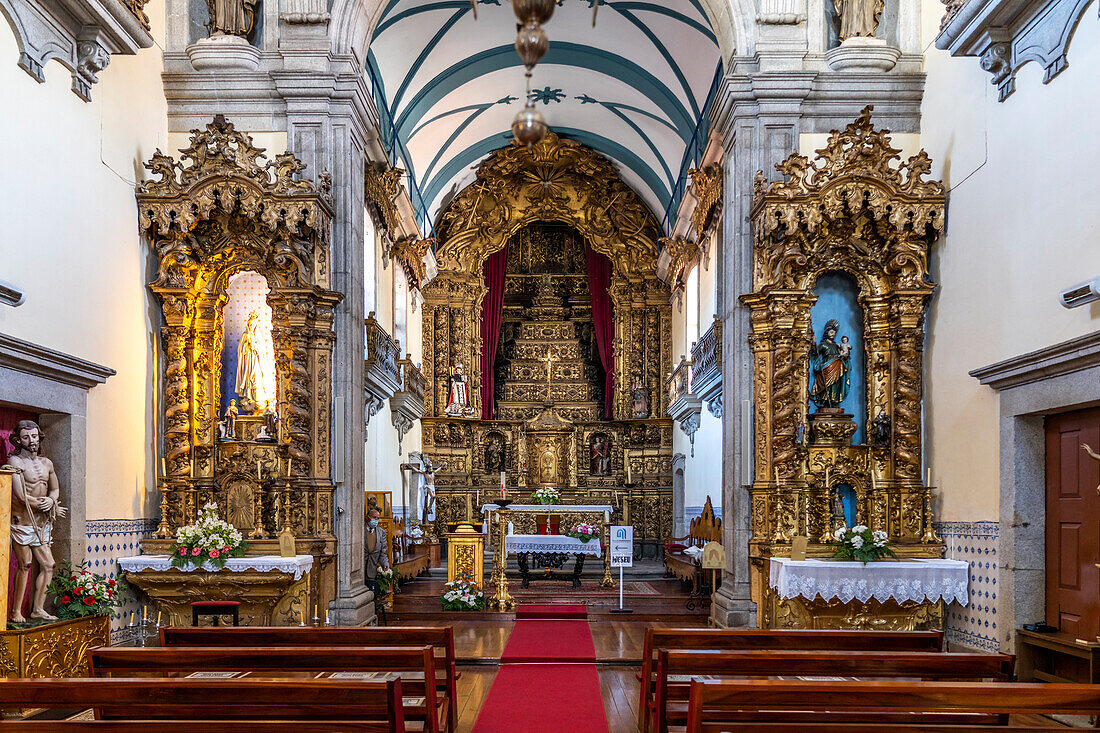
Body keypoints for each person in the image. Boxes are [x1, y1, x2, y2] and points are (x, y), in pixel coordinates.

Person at [3, 420, 67, 623]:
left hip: (41, 523)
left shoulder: (46, 463)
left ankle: (38, 609)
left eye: (34, 436)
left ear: (39, 436)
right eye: (26, 437)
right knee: (26, 565)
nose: (31, 441)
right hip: (22, 522)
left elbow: (54, 488)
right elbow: (20, 495)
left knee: (49, 565)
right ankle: (15, 612)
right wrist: (41, 503)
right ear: (18, 440)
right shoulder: (15, 462)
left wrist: (51, 500)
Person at [809, 319, 851, 409]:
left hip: (838, 366)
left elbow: (843, 354)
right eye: (831, 332)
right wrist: (814, 343)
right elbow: (815, 353)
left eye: (834, 332)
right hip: (827, 367)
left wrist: (845, 356)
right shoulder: (823, 344)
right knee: (826, 384)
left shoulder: (837, 345)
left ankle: (833, 402)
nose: (833, 334)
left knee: (836, 384)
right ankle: (825, 402)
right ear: (826, 333)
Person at [363, 508, 390, 600]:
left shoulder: (381, 532)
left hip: (372, 569)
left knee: (371, 595)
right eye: (374, 517)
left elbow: (382, 552)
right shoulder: (360, 530)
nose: (376, 520)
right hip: (360, 568)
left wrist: (385, 564)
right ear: (367, 517)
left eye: (378, 518)